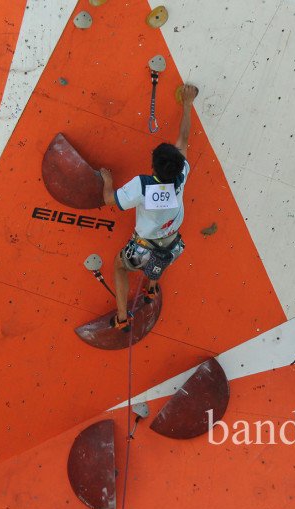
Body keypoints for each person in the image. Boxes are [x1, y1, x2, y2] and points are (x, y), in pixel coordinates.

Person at [101, 84, 199, 331]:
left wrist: (107, 181)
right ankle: (152, 287)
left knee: (120, 265)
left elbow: (110, 200)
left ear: (153, 166)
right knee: (161, 258)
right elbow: (184, 139)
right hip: (174, 245)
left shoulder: (142, 186)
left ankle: (122, 317)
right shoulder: (182, 174)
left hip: (144, 248)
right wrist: (187, 105)